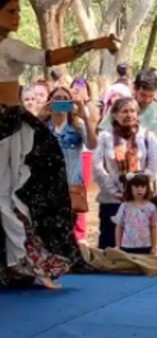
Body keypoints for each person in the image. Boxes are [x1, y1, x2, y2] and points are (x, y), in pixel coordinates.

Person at [0, 0, 118, 289]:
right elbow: (48, 56)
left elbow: (47, 57)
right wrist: (94, 44)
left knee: (16, 190)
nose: (17, 17)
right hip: (8, 127)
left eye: (17, 10)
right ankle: (19, 260)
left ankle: (22, 260)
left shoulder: (9, 47)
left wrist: (93, 45)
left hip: (13, 126)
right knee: (8, 194)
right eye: (11, 11)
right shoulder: (7, 48)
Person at [92, 97, 157, 250]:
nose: (128, 115)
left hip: (139, 200)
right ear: (115, 115)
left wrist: (137, 187)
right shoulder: (105, 137)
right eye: (124, 111)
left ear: (137, 114)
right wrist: (114, 191)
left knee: (139, 246)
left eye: (132, 111)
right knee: (110, 245)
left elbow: (153, 166)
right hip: (112, 200)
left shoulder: (147, 137)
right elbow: (98, 167)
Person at [42, 84, 97, 241]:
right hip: (47, 187)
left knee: (67, 231)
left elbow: (93, 145)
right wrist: (39, 115)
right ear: (50, 102)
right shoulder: (43, 128)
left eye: (65, 99)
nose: (61, 102)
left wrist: (86, 118)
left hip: (71, 187)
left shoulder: (77, 127)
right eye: (57, 99)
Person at [112, 173, 157, 254]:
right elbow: (119, 227)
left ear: (147, 188)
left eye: (142, 186)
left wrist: (154, 246)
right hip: (127, 246)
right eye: (136, 186)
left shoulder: (151, 208)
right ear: (130, 187)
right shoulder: (124, 207)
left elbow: (154, 227)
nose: (139, 189)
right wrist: (118, 245)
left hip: (146, 246)